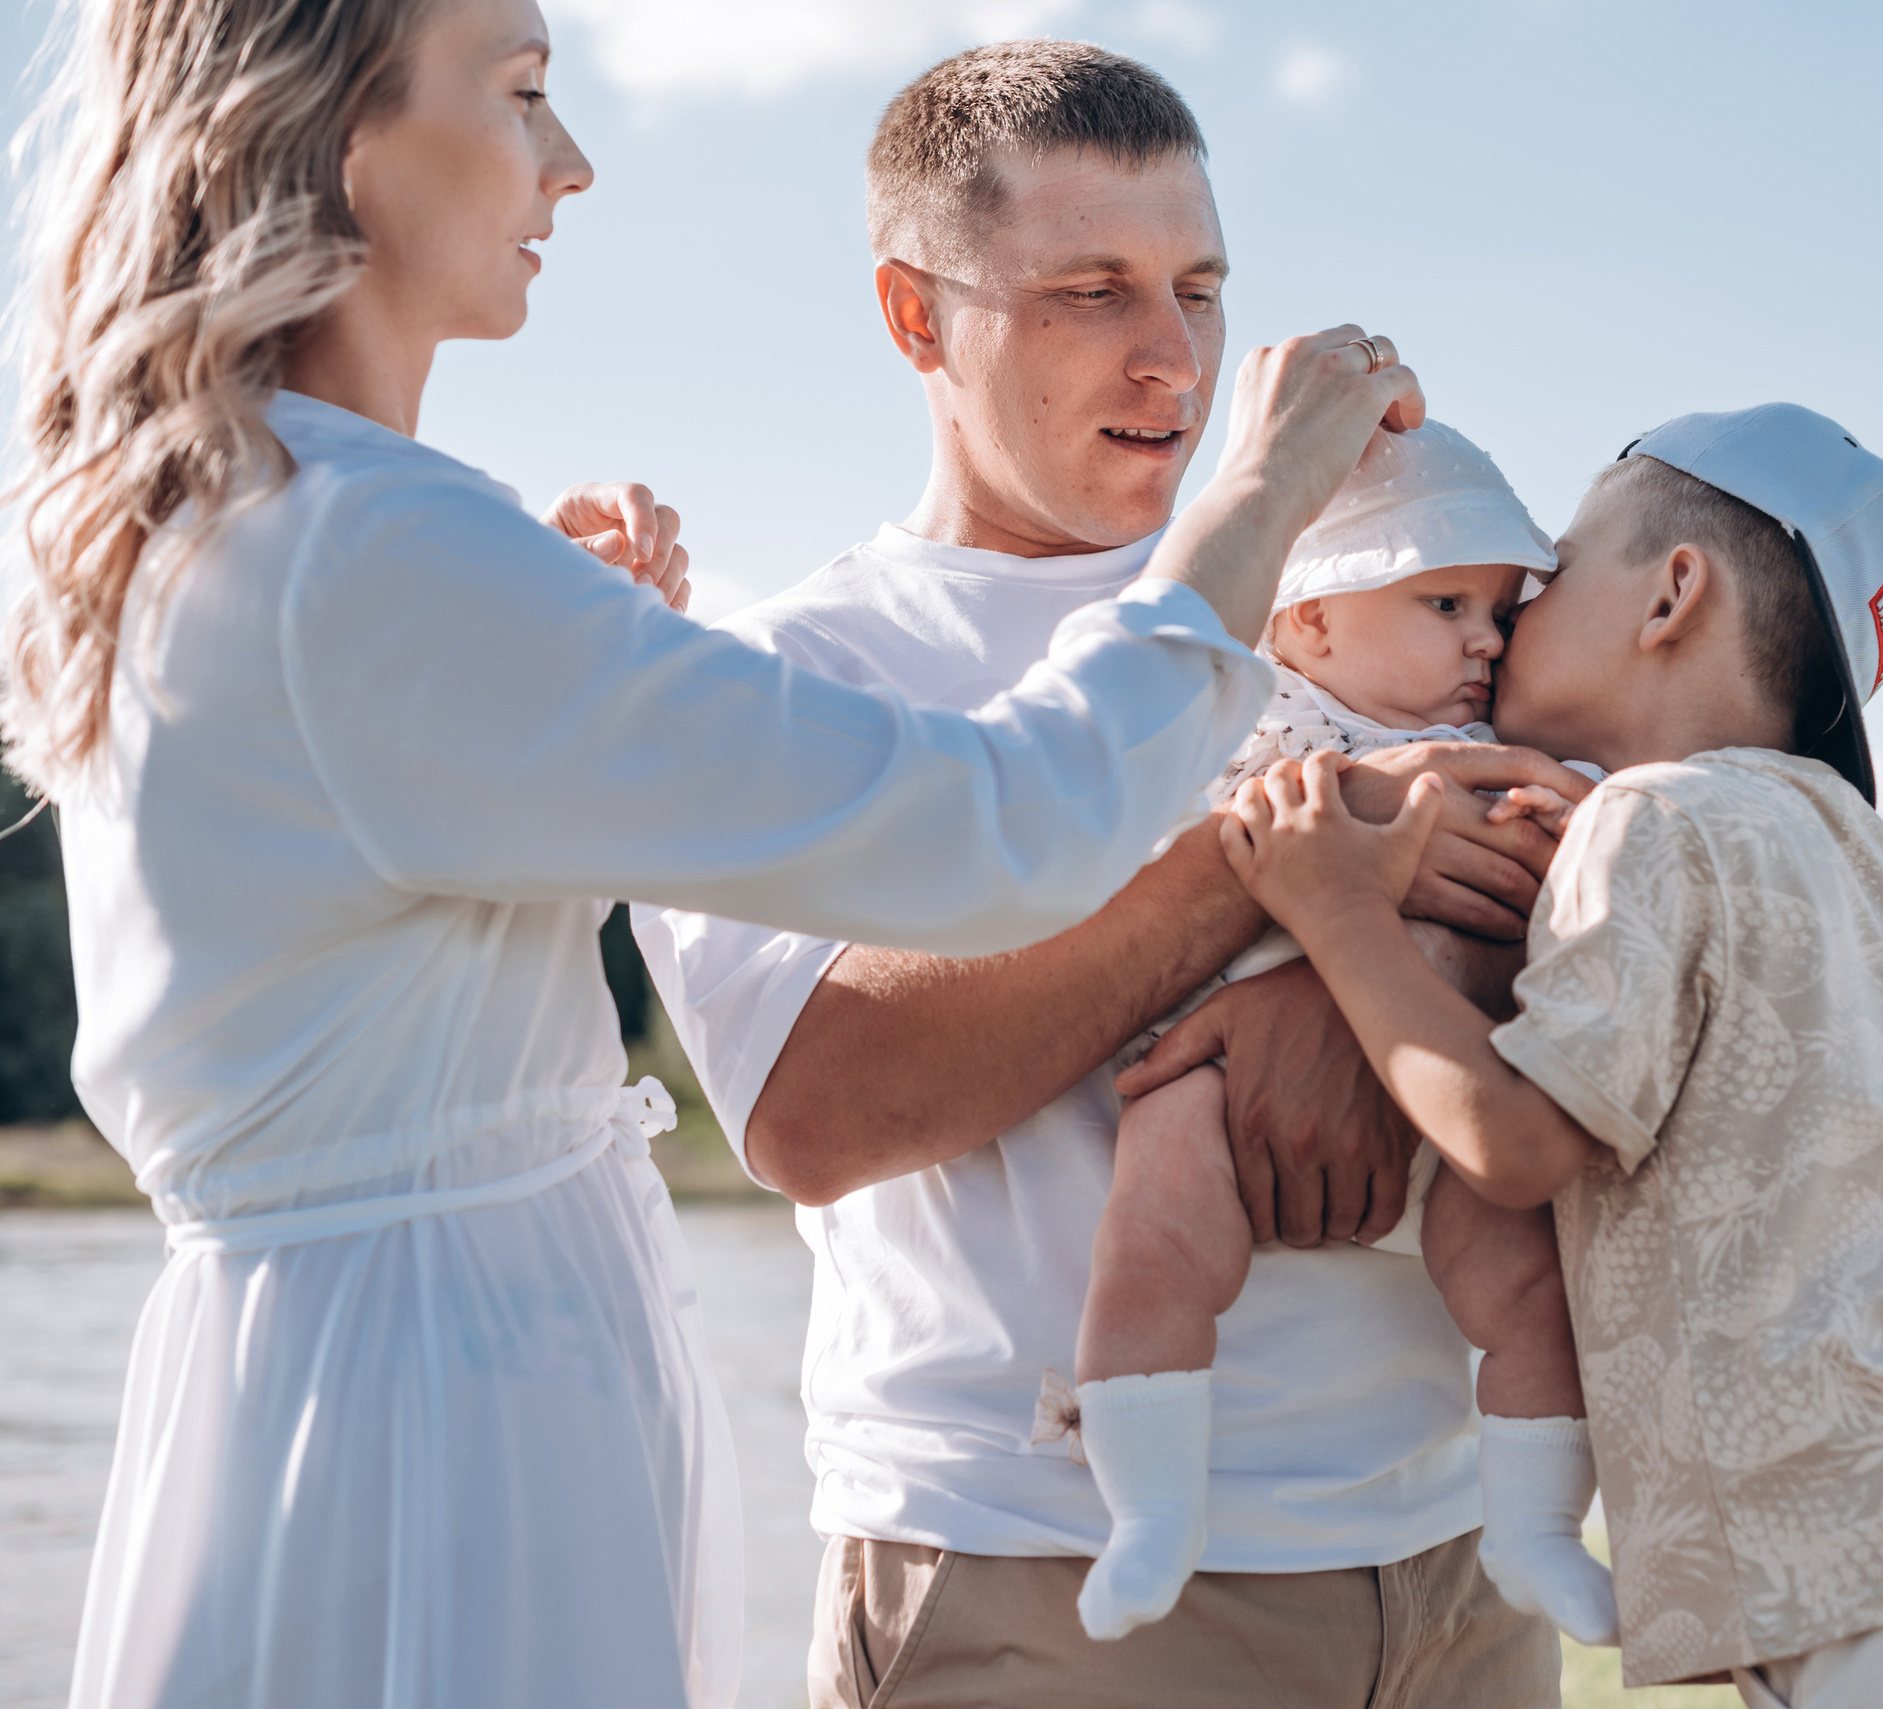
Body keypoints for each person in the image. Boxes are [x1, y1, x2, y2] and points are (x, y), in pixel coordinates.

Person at [5, 2, 1421, 1704]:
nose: (576, 160)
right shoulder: (367, 549)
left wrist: (577, 651)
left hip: (383, 1366)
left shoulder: (304, 532)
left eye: (1196, 286)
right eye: (523, 93)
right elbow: (1006, 822)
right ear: (333, 135)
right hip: (430, 1418)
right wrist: (1253, 506)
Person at [631, 42, 1589, 1709]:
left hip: (1456, 1566)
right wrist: (1263, 870)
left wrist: (1347, 972)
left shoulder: (1372, 593)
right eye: (1089, 290)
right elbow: (817, 1108)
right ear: (918, 317)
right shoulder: (784, 674)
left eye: (1200, 287)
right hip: (1046, 1579)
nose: (1170, 355)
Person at [1213, 405, 1883, 1709]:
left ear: (1674, 593)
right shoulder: (1865, 855)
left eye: (1556, 568)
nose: (1510, 612)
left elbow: (1512, 1145)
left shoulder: (1648, 824)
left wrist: (1335, 911)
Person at [1063, 420, 1615, 1649]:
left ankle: (1532, 1529)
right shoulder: (1245, 719)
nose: (1484, 635)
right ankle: (1150, 1511)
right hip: (1206, 1072)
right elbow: (1159, 857)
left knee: (1529, 1287)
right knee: (1150, 1247)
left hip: (1441, 1078)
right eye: (1441, 601)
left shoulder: (1502, 753)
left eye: (1497, 608)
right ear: (1308, 619)